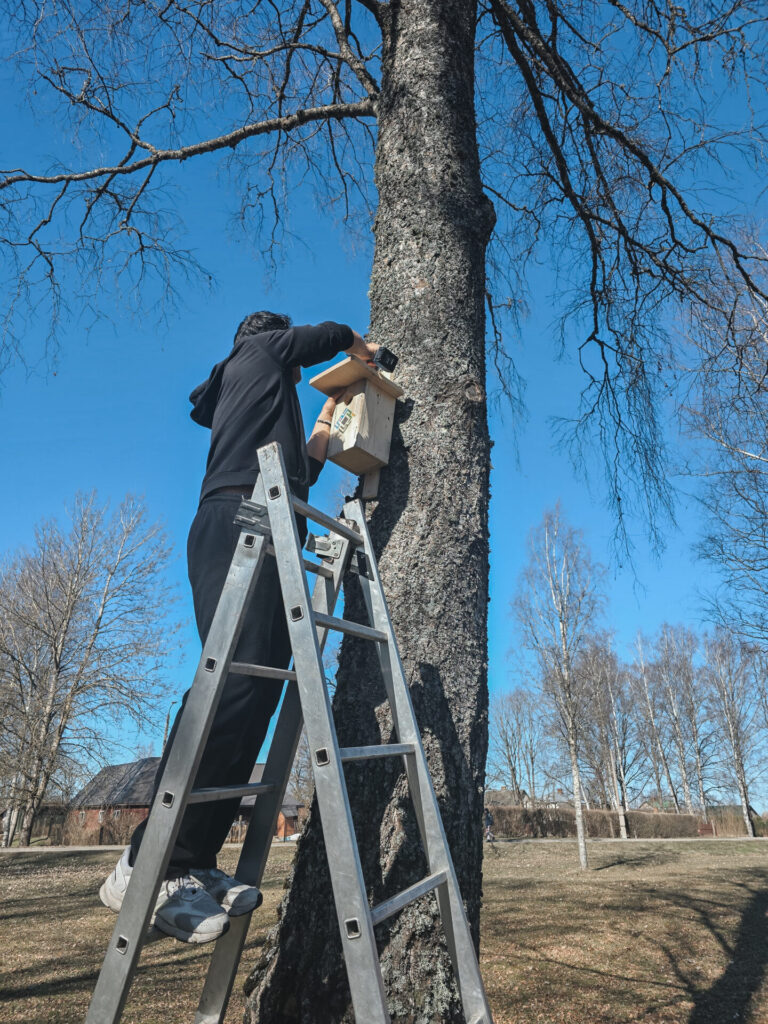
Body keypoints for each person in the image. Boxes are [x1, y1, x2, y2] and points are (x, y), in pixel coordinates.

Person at [100, 312, 381, 943]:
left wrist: (327, 415)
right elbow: (331, 333)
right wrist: (368, 356)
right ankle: (148, 863)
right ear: (270, 339)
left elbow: (304, 471)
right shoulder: (256, 353)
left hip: (273, 523)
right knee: (230, 682)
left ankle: (194, 857)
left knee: (258, 691)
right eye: (291, 355)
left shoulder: (263, 399)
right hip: (238, 521)